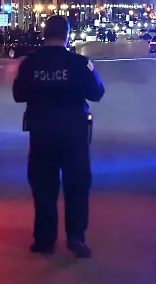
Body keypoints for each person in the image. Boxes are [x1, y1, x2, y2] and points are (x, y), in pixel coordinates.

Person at [12, 15, 105, 257]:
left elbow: (18, 94)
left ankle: (44, 240)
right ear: (67, 35)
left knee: (44, 188)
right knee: (77, 187)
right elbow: (97, 93)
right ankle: (75, 237)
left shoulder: (30, 63)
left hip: (42, 134)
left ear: (45, 34)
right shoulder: (79, 63)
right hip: (74, 135)